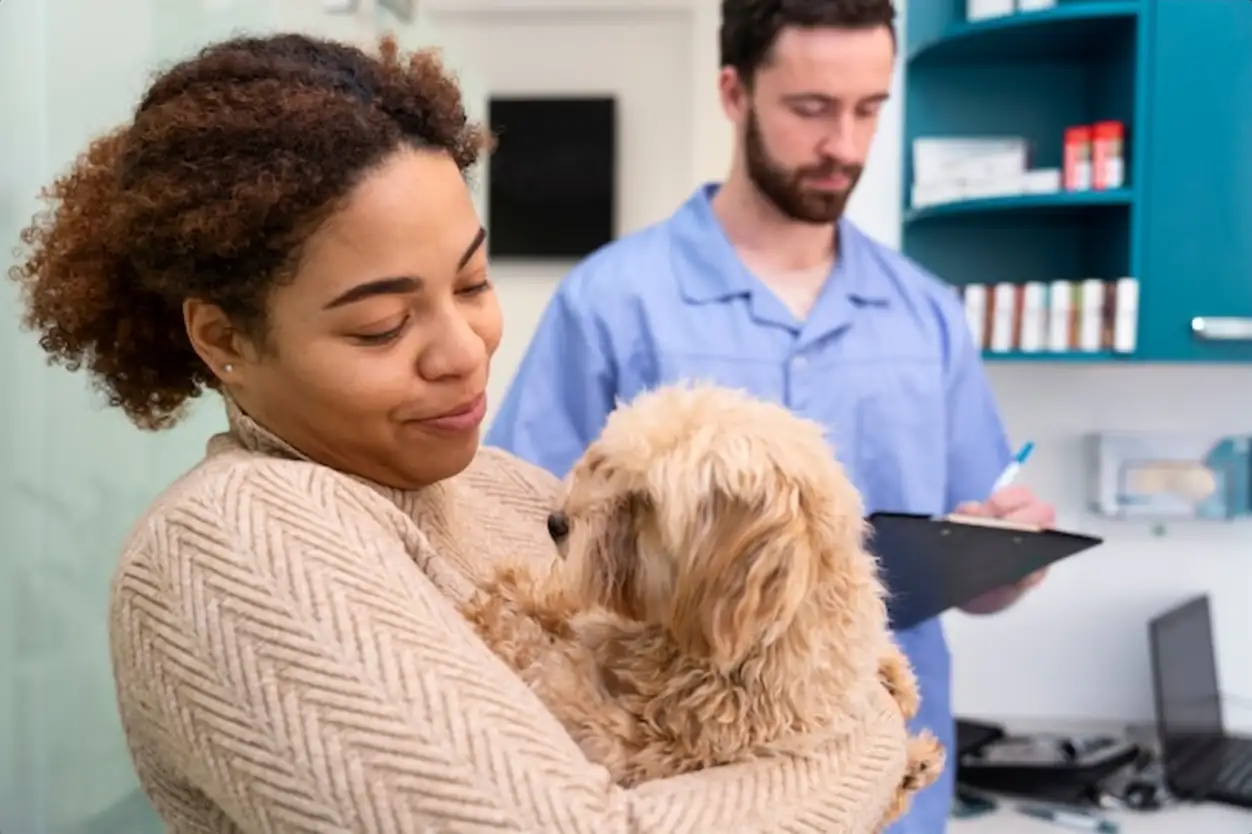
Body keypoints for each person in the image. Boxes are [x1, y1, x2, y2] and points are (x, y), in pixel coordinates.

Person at [11, 32, 929, 834]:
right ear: (224, 340)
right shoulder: (231, 545)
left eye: (475, 282)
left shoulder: (503, 488)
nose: (463, 352)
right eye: (381, 325)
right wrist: (872, 746)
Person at [487, 1, 1057, 831]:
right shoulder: (611, 301)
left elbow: (977, 572)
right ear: (734, 92)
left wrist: (1011, 561)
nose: (845, 146)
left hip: (888, 779)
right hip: (676, 783)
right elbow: (516, 528)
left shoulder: (928, 316)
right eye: (812, 108)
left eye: (869, 110)